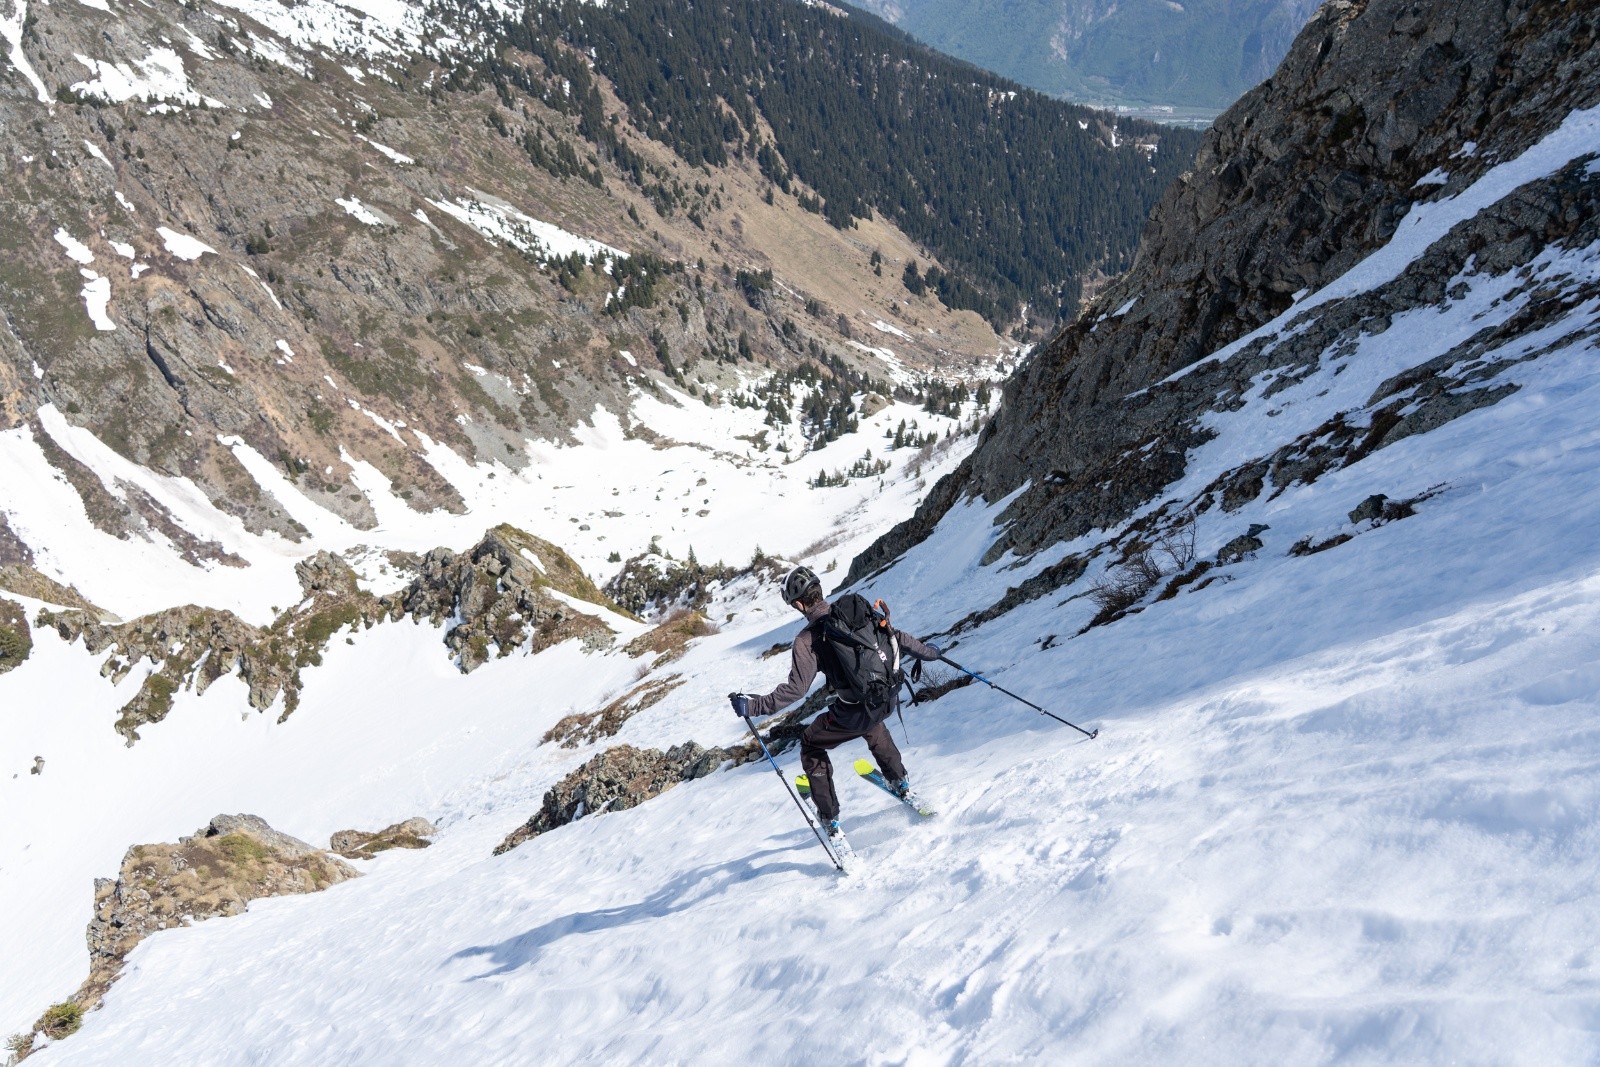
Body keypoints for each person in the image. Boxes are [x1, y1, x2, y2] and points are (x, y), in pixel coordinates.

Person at [729, 566, 941, 839]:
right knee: (873, 725)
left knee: (811, 743)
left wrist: (754, 706)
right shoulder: (858, 612)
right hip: (886, 699)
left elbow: (796, 689)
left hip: (853, 711)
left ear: (797, 603)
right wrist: (930, 653)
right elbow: (896, 637)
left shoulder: (807, 639)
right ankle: (899, 780)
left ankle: (829, 819)